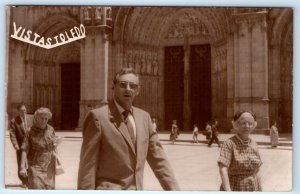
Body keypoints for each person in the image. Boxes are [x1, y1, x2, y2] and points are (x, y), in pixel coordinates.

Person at [77, 68, 179, 190]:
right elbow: (88, 166)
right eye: (123, 85)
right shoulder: (98, 117)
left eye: (133, 86)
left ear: (138, 90)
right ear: (113, 86)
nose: (128, 89)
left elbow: (160, 161)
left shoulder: (144, 118)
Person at [218, 111, 263, 191]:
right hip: (235, 187)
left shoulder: (254, 144)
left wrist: (260, 189)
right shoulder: (229, 143)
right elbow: (223, 169)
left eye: (250, 123)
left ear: (253, 125)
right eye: (243, 123)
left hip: (253, 187)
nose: (247, 126)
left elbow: (257, 170)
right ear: (236, 125)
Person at [19, 107, 61, 189]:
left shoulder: (51, 129)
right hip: (35, 167)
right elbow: (25, 149)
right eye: (42, 118)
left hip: (49, 167)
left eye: (46, 119)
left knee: (49, 189)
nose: (44, 121)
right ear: (36, 118)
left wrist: (56, 144)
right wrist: (22, 167)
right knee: (36, 188)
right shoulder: (29, 131)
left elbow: (53, 145)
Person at [9, 103, 33, 188]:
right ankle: (23, 181)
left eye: (25, 110)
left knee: (31, 162)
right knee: (21, 163)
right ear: (18, 111)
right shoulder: (14, 121)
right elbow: (12, 134)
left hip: (31, 145)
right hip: (20, 145)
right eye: (22, 111)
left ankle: (30, 179)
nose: (24, 112)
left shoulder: (31, 118)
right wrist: (15, 144)